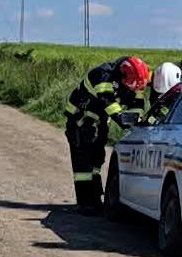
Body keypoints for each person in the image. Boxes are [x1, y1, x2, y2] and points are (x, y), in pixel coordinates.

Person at [62, 55, 149, 212]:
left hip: (99, 121)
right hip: (80, 119)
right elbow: (109, 104)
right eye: (131, 85)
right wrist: (125, 119)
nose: (133, 88)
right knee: (83, 163)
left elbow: (137, 104)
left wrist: (138, 118)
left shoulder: (134, 81)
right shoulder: (102, 75)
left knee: (97, 160)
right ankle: (84, 203)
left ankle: (95, 198)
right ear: (123, 74)